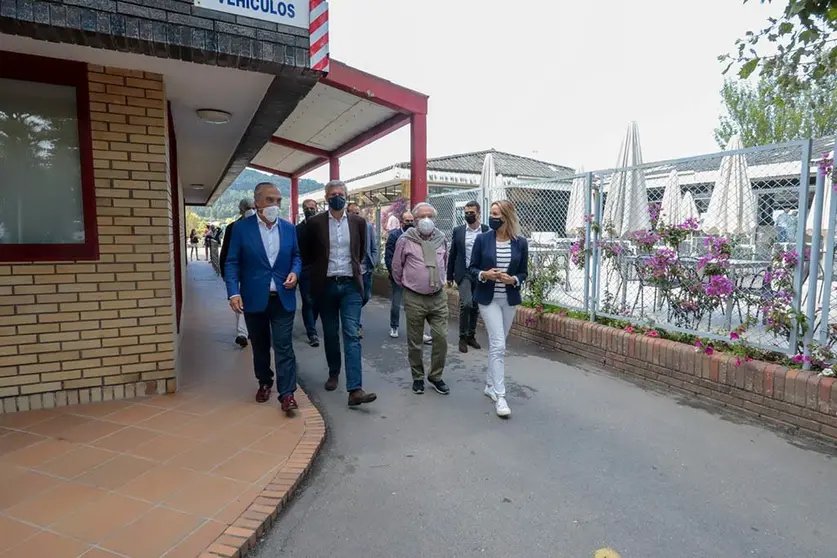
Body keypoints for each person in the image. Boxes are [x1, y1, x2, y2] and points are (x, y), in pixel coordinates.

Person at [224, 182, 302, 413]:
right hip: (254, 298)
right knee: (260, 346)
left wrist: (295, 272)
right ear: (257, 202)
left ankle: (287, 394)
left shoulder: (289, 229)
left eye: (278, 200)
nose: (275, 205)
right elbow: (232, 263)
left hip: (282, 298)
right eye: (270, 200)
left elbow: (297, 256)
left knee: (284, 346)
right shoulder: (241, 229)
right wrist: (233, 292)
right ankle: (265, 382)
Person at [301, 180, 377, 407]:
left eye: (340, 193)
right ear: (327, 198)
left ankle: (355, 389)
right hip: (325, 286)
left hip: (351, 286)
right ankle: (334, 372)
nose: (337, 197)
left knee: (352, 334)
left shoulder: (358, 222)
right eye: (333, 194)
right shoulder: (314, 224)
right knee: (331, 333)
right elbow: (307, 254)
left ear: (346, 196)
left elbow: (360, 251)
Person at [469, 200, 529, 418]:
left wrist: (513, 279)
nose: (492, 217)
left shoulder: (520, 242)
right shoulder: (482, 239)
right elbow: (472, 268)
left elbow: (524, 273)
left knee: (498, 346)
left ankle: (489, 384)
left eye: (496, 214)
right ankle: (500, 395)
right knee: (499, 345)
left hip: (509, 299)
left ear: (506, 216)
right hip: (488, 299)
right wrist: (484, 274)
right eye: (491, 213)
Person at [392, 202, 450, 396]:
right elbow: (397, 267)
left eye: (430, 216)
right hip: (414, 297)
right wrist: (409, 285)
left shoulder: (442, 239)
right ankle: (417, 377)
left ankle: (436, 376)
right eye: (421, 217)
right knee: (415, 341)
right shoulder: (405, 239)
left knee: (441, 338)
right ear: (414, 220)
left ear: (435, 219)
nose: (426, 220)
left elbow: (445, 262)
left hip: (438, 296)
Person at [447, 200, 489, 353]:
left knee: (475, 305)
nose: (469, 215)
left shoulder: (486, 231)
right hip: (463, 272)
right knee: (467, 303)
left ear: (478, 213)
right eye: (466, 213)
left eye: (472, 213)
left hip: (479, 273)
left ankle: (471, 335)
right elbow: (453, 254)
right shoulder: (458, 231)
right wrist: (449, 275)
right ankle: (462, 337)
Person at [385, 212, 432, 344]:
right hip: (398, 276)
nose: (410, 223)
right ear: (401, 222)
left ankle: (420, 332)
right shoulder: (394, 236)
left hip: (414, 277)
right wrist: (395, 274)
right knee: (396, 302)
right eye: (407, 221)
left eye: (412, 220)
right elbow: (389, 257)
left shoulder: (418, 235)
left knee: (418, 305)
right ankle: (394, 326)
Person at [220, 198, 256, 348]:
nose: (251, 210)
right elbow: (225, 253)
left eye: (253, 207)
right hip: (239, 272)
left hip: (256, 272)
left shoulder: (261, 226)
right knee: (240, 301)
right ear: (241, 209)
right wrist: (225, 274)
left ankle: (252, 329)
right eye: (248, 207)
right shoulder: (233, 227)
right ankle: (242, 333)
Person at [347, 202, 379, 338]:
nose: (355, 215)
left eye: (357, 213)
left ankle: (349, 314)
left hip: (367, 269)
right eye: (352, 213)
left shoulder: (369, 227)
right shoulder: (344, 229)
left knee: (366, 296)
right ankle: (355, 324)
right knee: (356, 298)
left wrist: (374, 260)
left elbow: (374, 247)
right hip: (352, 270)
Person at [296, 199, 320, 347]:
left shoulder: (322, 227)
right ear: (303, 210)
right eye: (307, 208)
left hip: (320, 270)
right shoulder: (297, 229)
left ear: (316, 209)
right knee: (307, 300)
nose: (310, 210)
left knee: (316, 302)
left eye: (312, 208)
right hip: (304, 270)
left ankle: (312, 322)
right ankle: (312, 333)